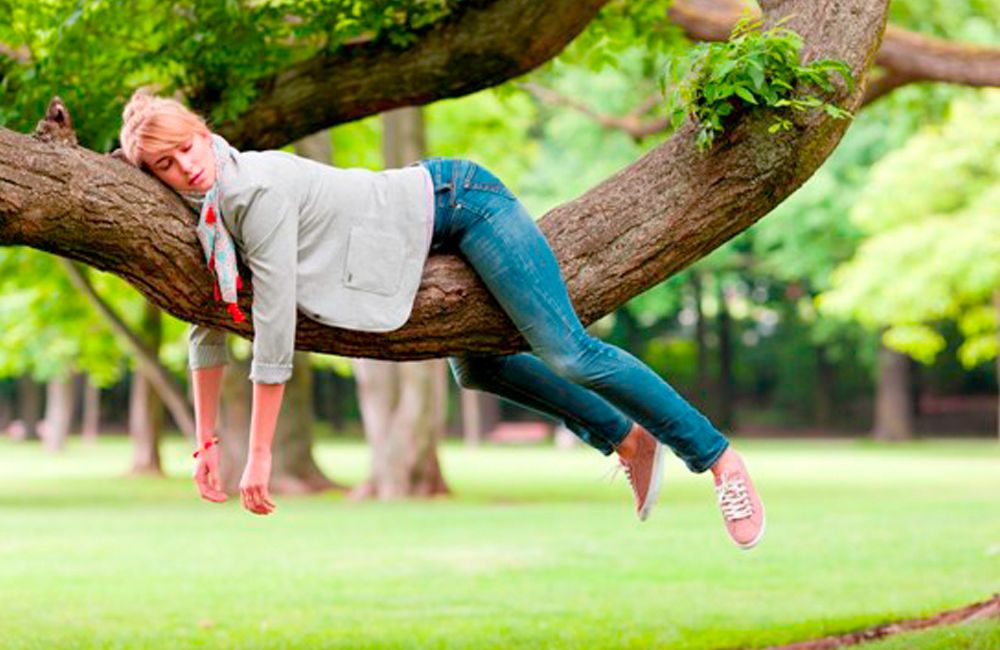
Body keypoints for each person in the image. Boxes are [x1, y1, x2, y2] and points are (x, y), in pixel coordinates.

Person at [117, 88, 765, 549]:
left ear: (203, 132)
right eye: (165, 167)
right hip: (418, 237)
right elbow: (209, 320)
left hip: (462, 202)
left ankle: (718, 460)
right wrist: (206, 443)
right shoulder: (208, 218)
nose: (185, 168)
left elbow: (274, 326)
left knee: (568, 351)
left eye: (185, 149)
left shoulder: (248, 189)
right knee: (478, 370)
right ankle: (625, 436)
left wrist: (256, 455)